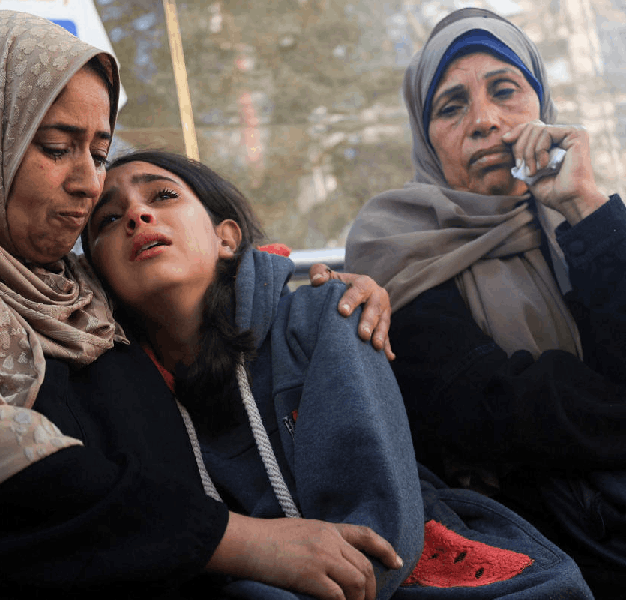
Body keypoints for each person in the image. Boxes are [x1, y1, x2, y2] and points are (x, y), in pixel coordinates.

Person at [0, 11, 403, 600]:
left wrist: (320, 297)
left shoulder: (83, 292)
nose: (90, 184)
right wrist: (241, 543)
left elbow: (202, 317)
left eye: (98, 151)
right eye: (57, 147)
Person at [82, 149, 594, 599]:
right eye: (106, 220)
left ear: (226, 238)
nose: (136, 214)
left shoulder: (329, 314)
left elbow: (376, 538)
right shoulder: (120, 394)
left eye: (163, 194)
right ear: (96, 273)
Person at [345, 7, 626, 597]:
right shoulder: (395, 244)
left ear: (541, 108)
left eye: (506, 91)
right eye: (451, 107)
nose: (485, 121)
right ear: (427, 139)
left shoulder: (579, 224)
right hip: (528, 549)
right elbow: (495, 414)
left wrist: (582, 204)